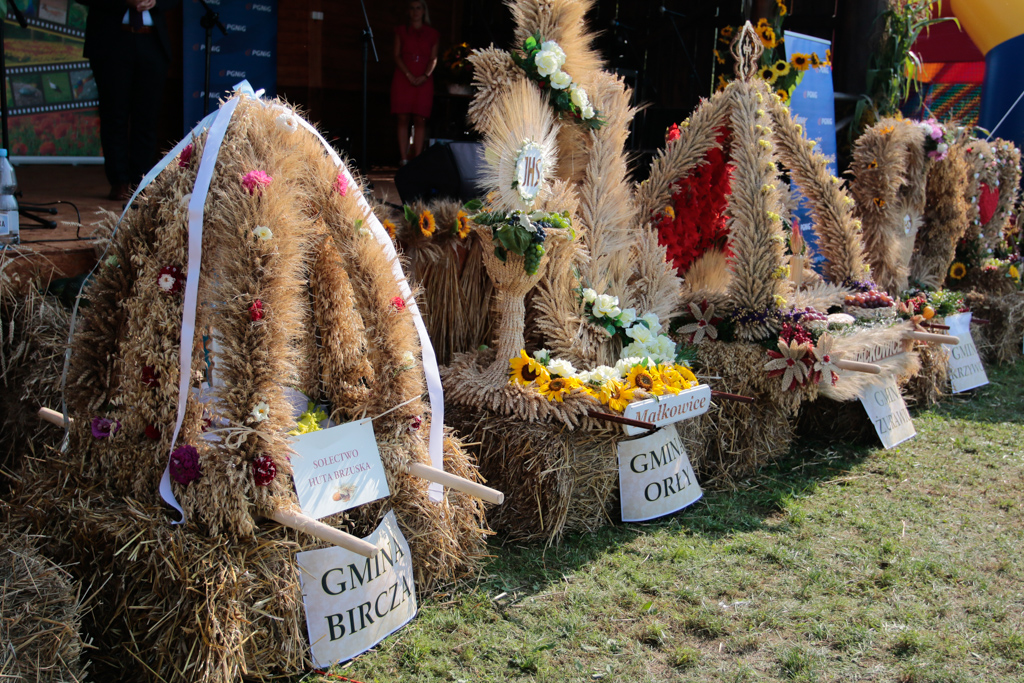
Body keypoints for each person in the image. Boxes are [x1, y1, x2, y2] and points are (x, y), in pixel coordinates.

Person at [76, 0, 179, 201]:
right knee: (114, 114)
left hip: (152, 42)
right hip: (112, 41)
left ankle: (142, 181)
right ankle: (119, 181)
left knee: (147, 118)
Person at [391, 0, 438, 165]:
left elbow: (434, 58)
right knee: (402, 118)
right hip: (404, 77)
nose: (415, 11)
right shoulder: (401, 31)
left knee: (420, 119)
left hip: (423, 79)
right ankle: (403, 158)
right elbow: (396, 55)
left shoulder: (432, 33)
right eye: (412, 8)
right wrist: (408, 74)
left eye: (419, 8)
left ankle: (417, 159)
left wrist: (425, 75)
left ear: (424, 11)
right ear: (408, 11)